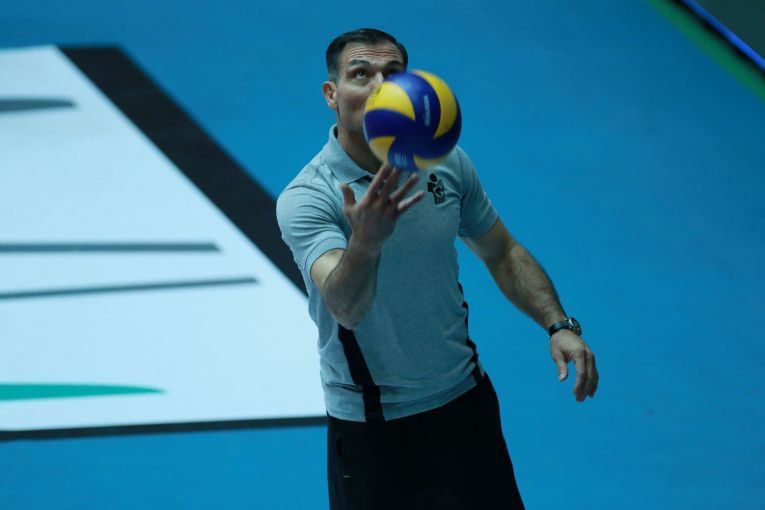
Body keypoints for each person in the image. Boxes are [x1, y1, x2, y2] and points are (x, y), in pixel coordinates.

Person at [276, 28, 599, 510]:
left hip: (465, 403)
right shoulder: (310, 197)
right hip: (373, 428)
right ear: (331, 94)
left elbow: (501, 251)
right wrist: (366, 242)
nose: (379, 86)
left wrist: (558, 324)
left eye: (393, 74)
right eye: (360, 74)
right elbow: (345, 307)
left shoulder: (443, 162)